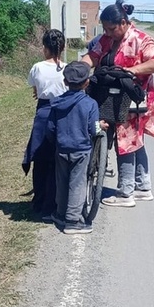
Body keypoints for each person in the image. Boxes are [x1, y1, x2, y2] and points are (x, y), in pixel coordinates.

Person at [82, 0, 154, 207]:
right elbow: (92, 56)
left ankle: (125, 192)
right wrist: (80, 70)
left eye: (111, 29)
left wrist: (132, 71)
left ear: (124, 23)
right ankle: (143, 187)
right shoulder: (107, 40)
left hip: (134, 97)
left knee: (126, 139)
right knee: (135, 140)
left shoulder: (140, 39)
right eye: (105, 29)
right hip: (110, 95)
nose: (108, 33)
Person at [47, 61, 106, 234]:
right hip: (81, 149)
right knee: (77, 183)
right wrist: (100, 126)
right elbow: (93, 129)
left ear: (65, 82)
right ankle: (73, 220)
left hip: (61, 148)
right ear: (87, 82)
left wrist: (56, 142)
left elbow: (50, 128)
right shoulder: (90, 104)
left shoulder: (56, 103)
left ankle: (60, 213)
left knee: (62, 181)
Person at [22, 29, 67, 222]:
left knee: (40, 159)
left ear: (44, 48)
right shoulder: (67, 68)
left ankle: (39, 202)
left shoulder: (37, 67)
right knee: (56, 161)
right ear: (62, 48)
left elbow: (36, 90)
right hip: (62, 113)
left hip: (43, 112)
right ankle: (54, 203)